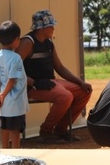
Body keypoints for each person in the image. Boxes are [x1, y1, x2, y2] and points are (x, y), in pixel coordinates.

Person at [15, 9, 92, 143]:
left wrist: (80, 82)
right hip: (32, 87)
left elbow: (60, 68)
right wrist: (33, 82)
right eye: (51, 26)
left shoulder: (49, 43)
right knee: (65, 96)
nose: (53, 28)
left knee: (83, 92)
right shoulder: (27, 43)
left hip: (50, 82)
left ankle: (61, 129)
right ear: (42, 28)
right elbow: (14, 69)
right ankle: (46, 131)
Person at [0, 20, 29, 148]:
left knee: (4, 127)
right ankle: (15, 152)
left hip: (4, 103)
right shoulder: (16, 58)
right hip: (16, 102)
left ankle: (4, 150)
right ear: (15, 40)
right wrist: (3, 94)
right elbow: (12, 79)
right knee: (15, 129)